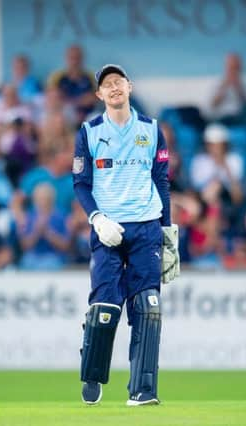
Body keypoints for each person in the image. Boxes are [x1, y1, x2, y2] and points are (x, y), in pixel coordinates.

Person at [72, 64, 179, 406]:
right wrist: (97, 218)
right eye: (107, 84)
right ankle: (92, 373)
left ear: (130, 87)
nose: (114, 87)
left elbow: (161, 180)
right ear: (99, 94)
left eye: (119, 82)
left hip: (146, 226)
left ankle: (143, 389)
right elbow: (81, 183)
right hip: (107, 230)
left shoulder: (151, 128)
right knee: (105, 308)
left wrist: (166, 231)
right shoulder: (88, 132)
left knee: (148, 307)